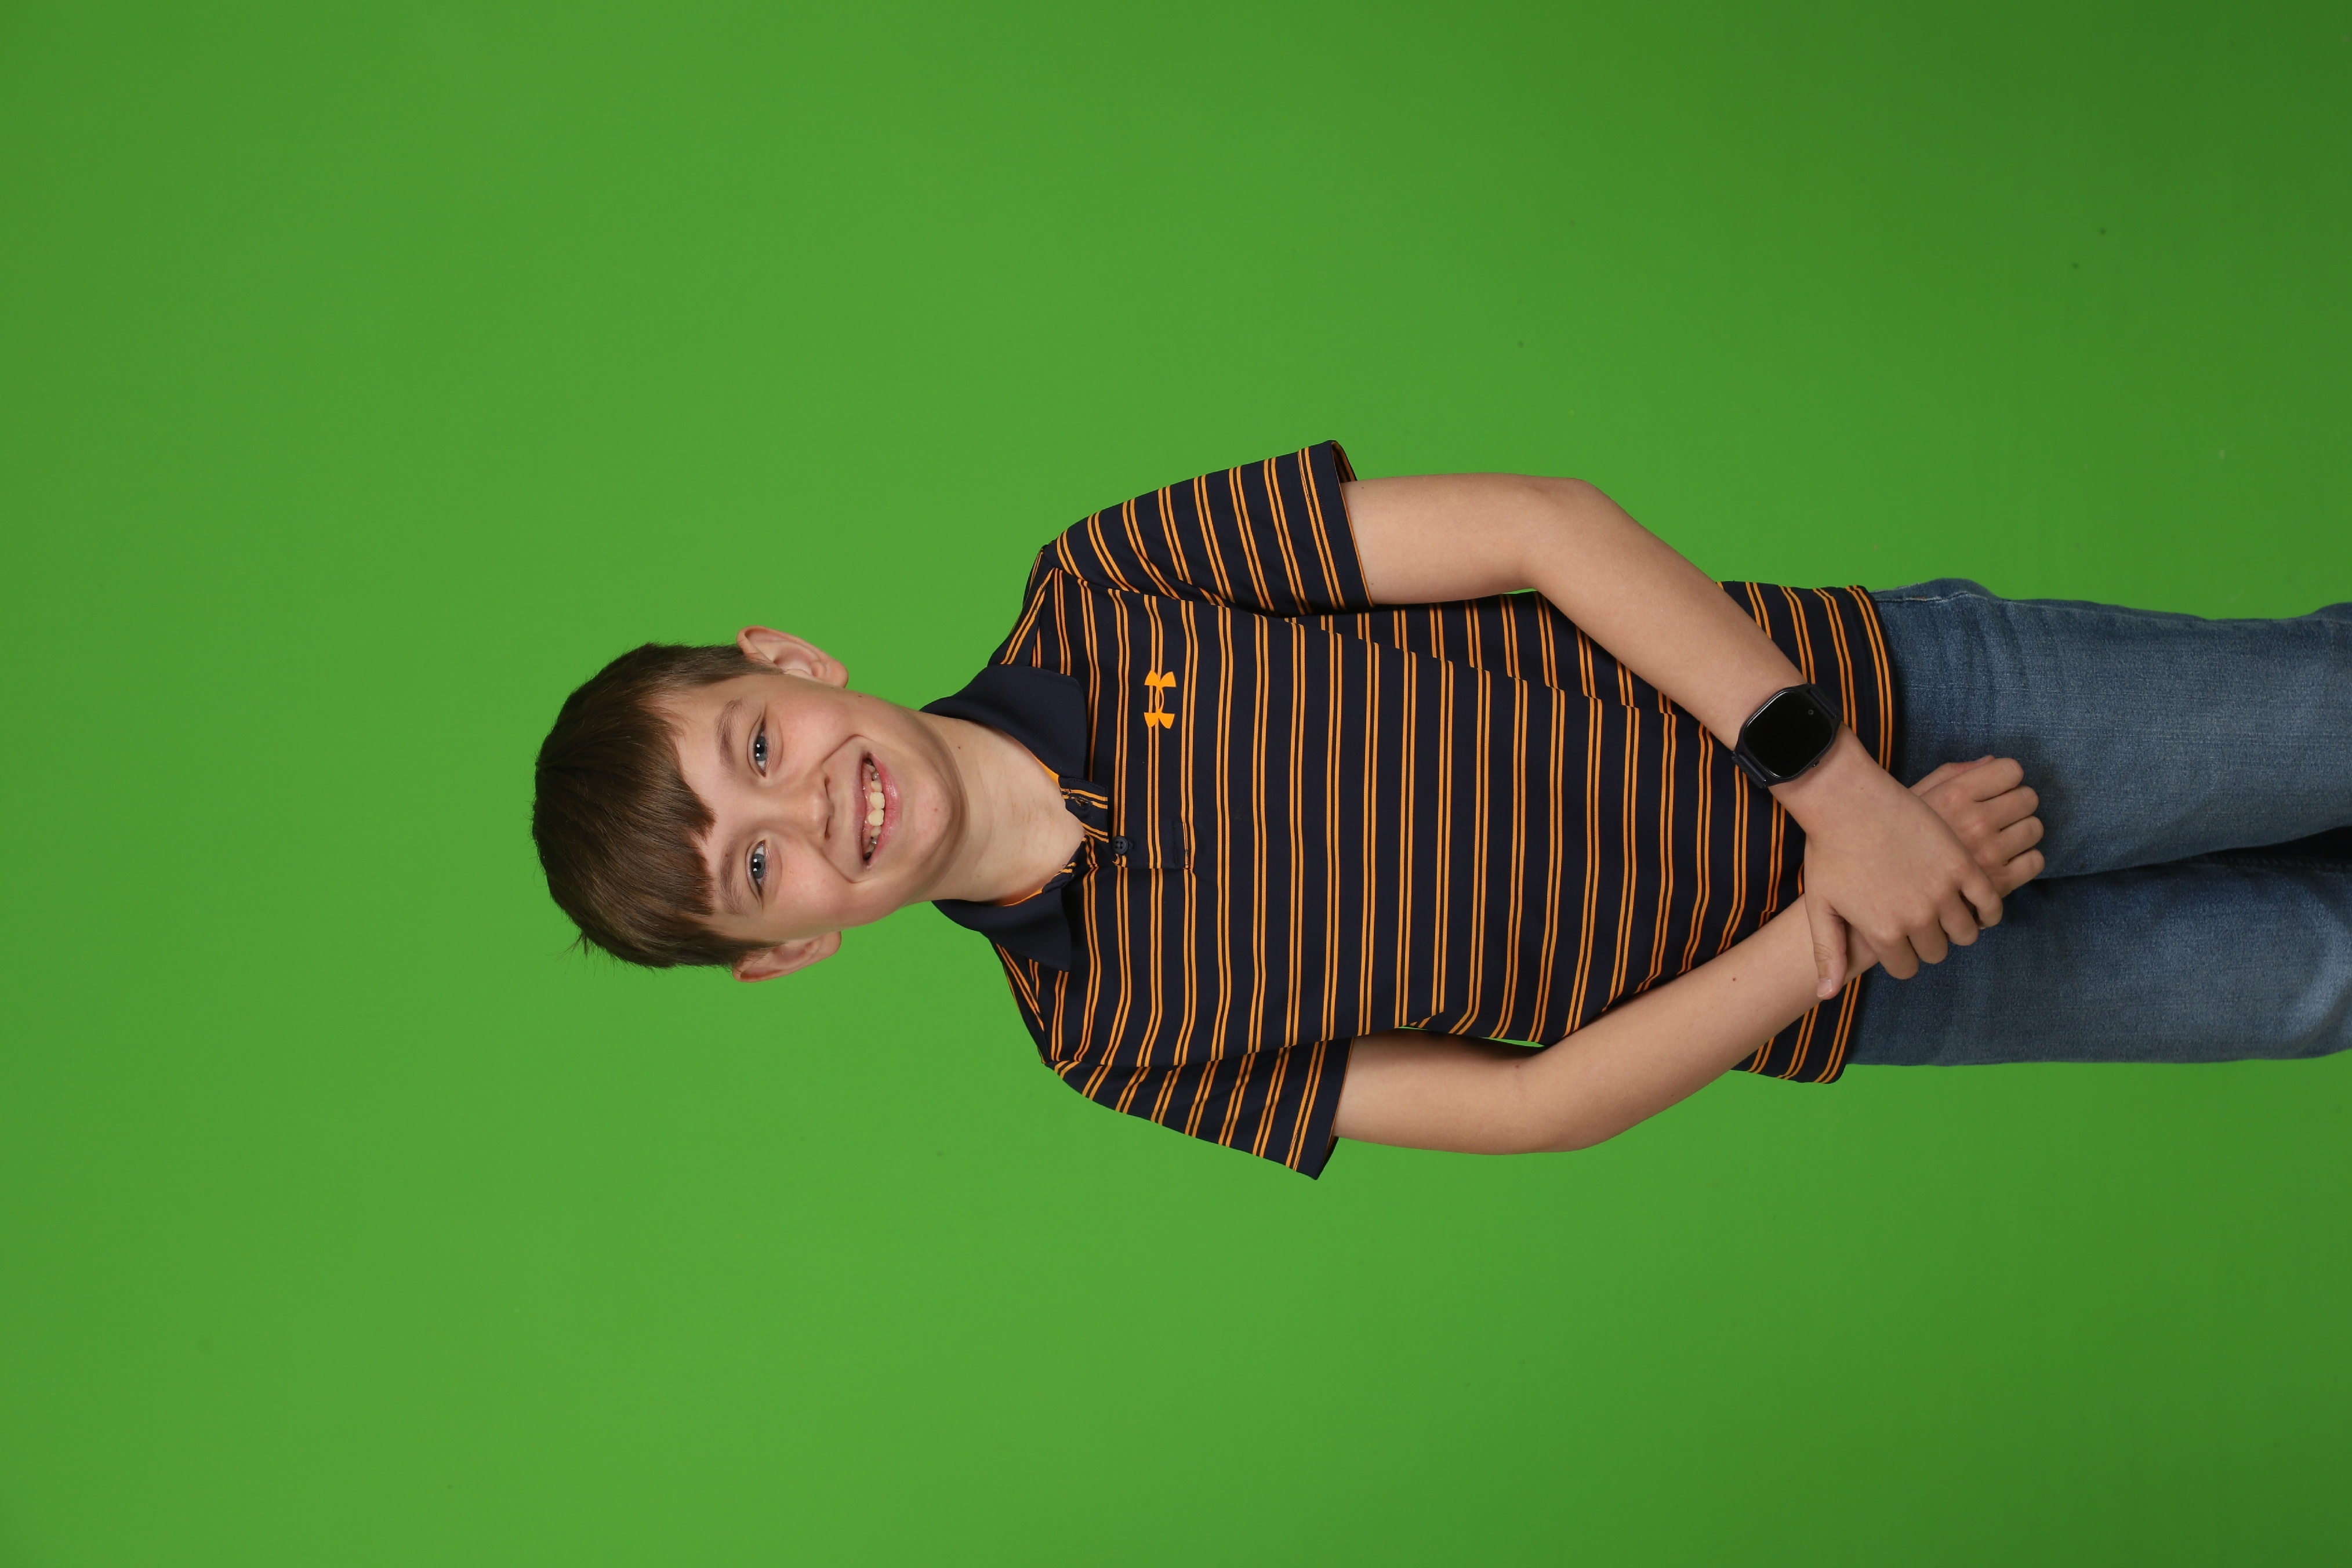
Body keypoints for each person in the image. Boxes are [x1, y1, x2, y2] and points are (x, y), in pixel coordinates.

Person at [531, 442, 2352, 1176]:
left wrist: (1839, 788)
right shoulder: (1105, 1037)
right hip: (1884, 978)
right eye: (755, 869)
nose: (805, 809)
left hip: (1897, 710)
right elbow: (1528, 1106)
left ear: (788, 658)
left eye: (753, 747)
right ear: (789, 953)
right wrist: (1830, 927)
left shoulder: (1106, 584)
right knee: (2315, 985)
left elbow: (1538, 532)